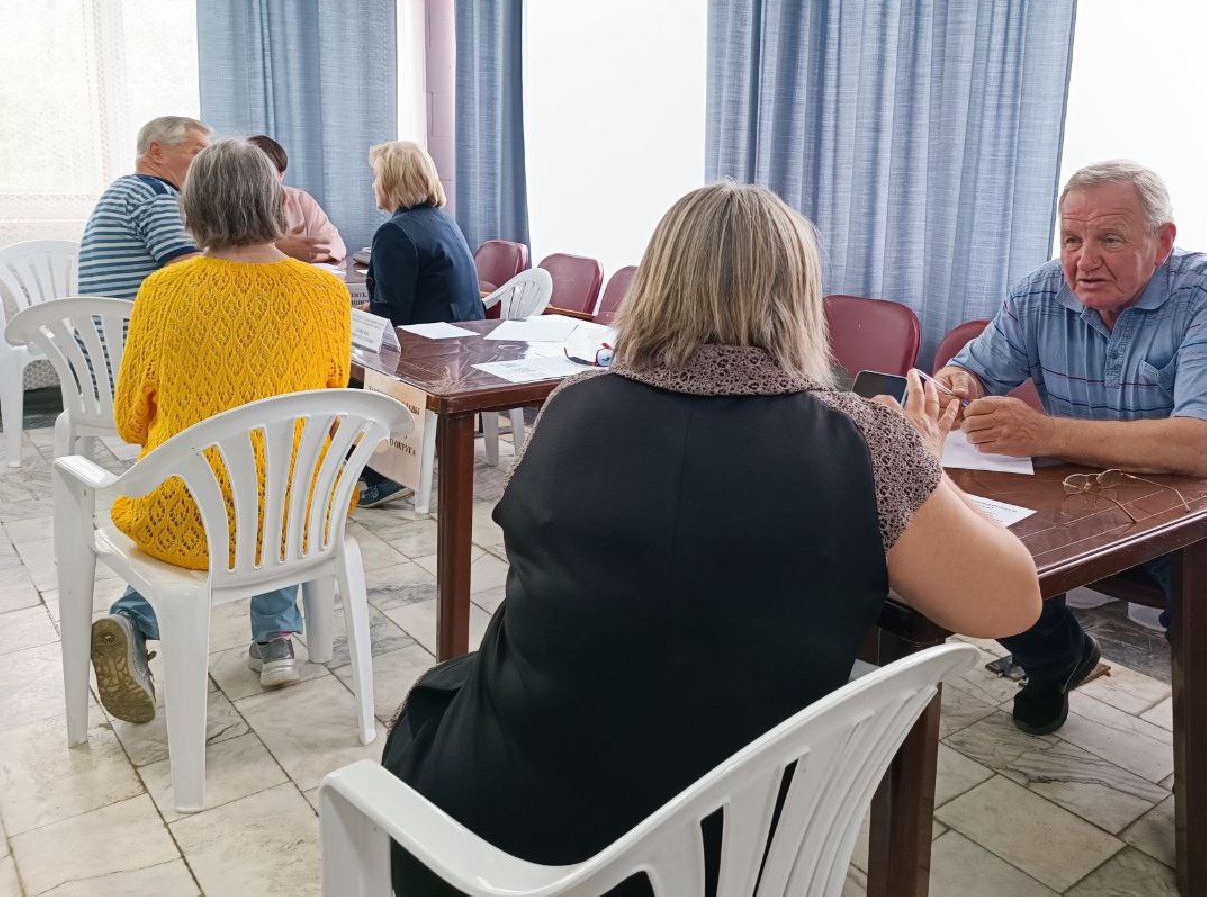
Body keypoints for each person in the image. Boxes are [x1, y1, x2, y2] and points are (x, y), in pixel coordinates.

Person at [381, 182, 1043, 897]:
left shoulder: (570, 409)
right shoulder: (866, 443)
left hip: (497, 831)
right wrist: (922, 459)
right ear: (798, 300)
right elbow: (1011, 605)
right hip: (731, 847)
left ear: (656, 284)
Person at [935, 160, 1207, 888]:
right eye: (1070, 239)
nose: (1083, 261)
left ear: (1162, 240)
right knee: (962, 539)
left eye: (1109, 240)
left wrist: (1045, 434)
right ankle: (1060, 658)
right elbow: (976, 366)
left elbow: (1206, 447)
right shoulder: (1039, 291)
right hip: (1084, 490)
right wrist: (957, 388)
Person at [88, 139, 353, 724]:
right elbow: (330, 410)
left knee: (209, 492)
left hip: (188, 514)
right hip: (298, 521)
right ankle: (277, 638)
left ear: (194, 209)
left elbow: (131, 419)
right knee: (275, 474)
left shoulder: (163, 290)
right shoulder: (328, 294)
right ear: (276, 204)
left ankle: (132, 621)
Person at [358, 141, 483, 507]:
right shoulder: (443, 222)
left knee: (342, 366)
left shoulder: (395, 232)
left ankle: (384, 472)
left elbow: (390, 316)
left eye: (376, 176)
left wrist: (359, 318)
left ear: (392, 182)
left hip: (425, 354)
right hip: (461, 344)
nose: (373, 184)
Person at [77, 116, 209, 299]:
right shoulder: (158, 195)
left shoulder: (123, 189)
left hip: (97, 325)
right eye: (198, 152)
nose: (206, 163)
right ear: (157, 153)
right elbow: (190, 271)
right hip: (137, 323)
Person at [247, 134, 347, 264]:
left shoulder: (300, 200)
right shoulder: (226, 201)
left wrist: (307, 253)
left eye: (266, 173)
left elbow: (335, 246)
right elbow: (219, 251)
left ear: (281, 175)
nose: (258, 181)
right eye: (251, 173)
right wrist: (279, 247)